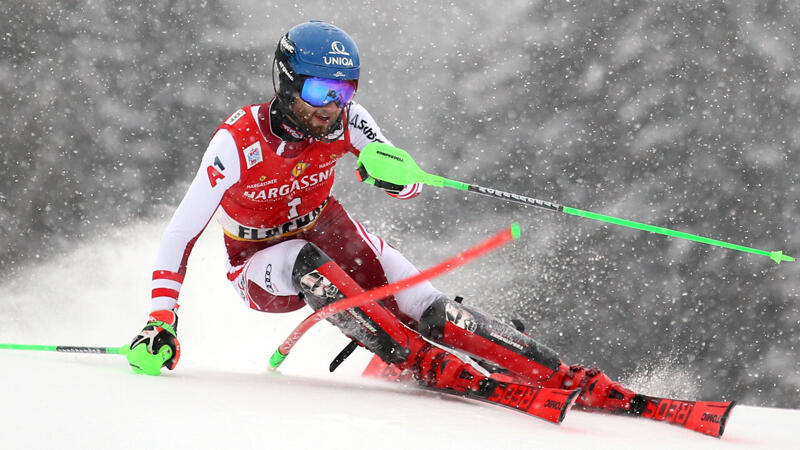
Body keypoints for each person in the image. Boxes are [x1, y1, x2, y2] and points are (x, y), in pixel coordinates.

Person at [127, 20, 636, 413]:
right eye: (320, 92)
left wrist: (395, 175)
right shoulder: (237, 142)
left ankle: (561, 375)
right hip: (258, 261)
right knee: (303, 258)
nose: (332, 107)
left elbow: (410, 183)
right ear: (287, 82)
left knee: (423, 301)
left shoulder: (349, 121)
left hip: (326, 226)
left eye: (344, 91)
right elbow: (181, 233)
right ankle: (421, 359)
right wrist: (160, 320)